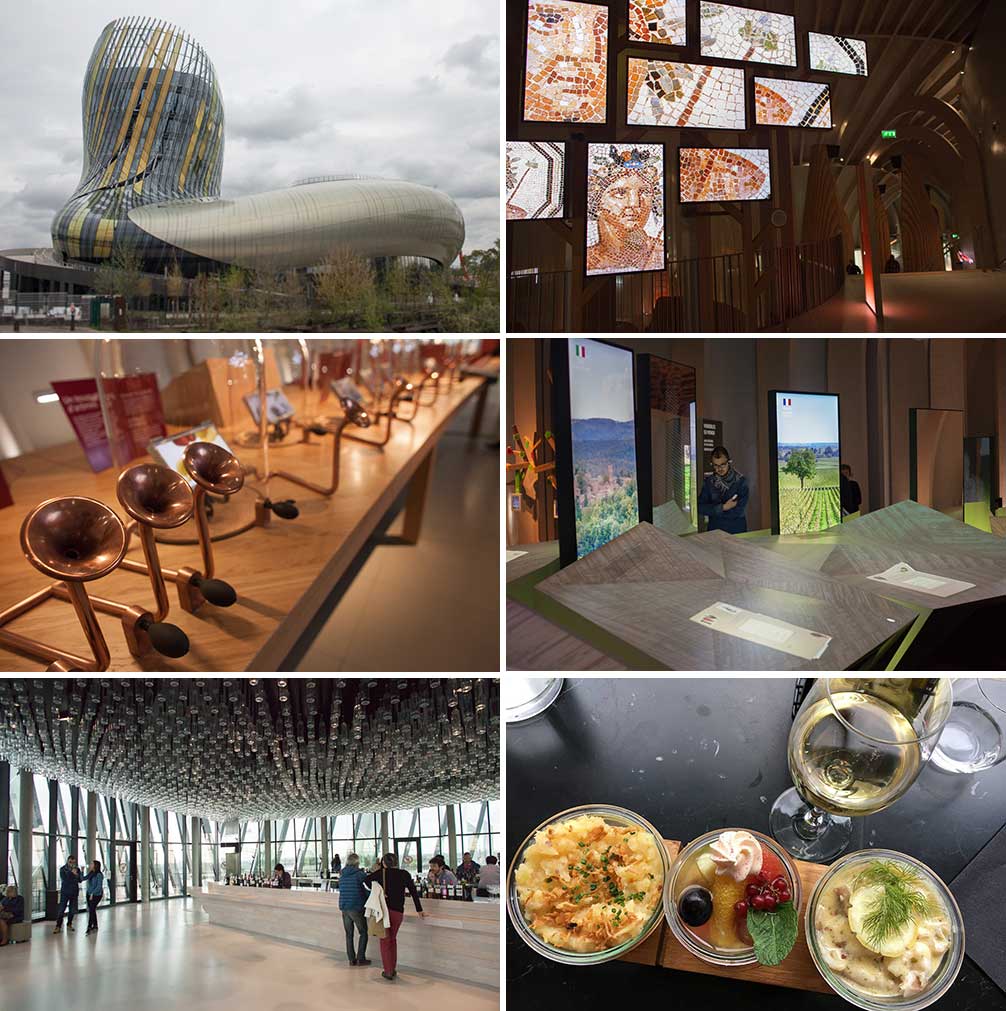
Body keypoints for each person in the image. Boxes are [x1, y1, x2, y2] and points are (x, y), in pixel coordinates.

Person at [587, 146, 664, 275]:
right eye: (620, 193)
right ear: (596, 201)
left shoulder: (660, 254)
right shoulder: (589, 262)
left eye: (644, 192)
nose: (635, 203)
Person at [364, 853, 425, 981]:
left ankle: (388, 971)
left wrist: (378, 890)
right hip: (398, 912)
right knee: (393, 940)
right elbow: (414, 892)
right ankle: (392, 968)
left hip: (384, 911)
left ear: (383, 863)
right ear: (396, 862)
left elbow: (365, 881)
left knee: (385, 941)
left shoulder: (381, 873)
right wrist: (419, 910)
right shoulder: (404, 874)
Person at [698, 446, 750, 534]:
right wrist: (723, 507)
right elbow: (701, 508)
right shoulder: (709, 482)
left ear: (729, 462)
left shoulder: (741, 481)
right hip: (715, 531)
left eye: (723, 464)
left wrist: (714, 511)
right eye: (716, 465)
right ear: (712, 464)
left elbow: (739, 511)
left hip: (736, 530)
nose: (720, 468)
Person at [339, 853, 371, 967]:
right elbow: (367, 890)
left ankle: (351, 959)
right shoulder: (360, 875)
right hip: (356, 907)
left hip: (344, 907)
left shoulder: (342, 874)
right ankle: (360, 958)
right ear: (357, 862)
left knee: (349, 934)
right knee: (363, 932)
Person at [53, 854, 83, 933]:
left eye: (73, 862)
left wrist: (78, 875)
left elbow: (80, 880)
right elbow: (65, 880)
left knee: (72, 910)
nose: (72, 864)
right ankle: (58, 926)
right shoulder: (63, 869)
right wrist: (71, 873)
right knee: (61, 909)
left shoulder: (77, 869)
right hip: (65, 893)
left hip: (74, 892)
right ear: (67, 861)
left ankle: (69, 923)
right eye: (70, 862)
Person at [83, 859, 104, 936]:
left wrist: (92, 893)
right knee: (92, 909)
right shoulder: (91, 873)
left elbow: (99, 887)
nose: (90, 865)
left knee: (92, 909)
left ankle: (89, 926)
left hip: (96, 895)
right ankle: (95, 925)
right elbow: (83, 878)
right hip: (89, 894)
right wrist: (81, 871)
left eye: (92, 864)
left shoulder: (99, 875)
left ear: (95, 865)